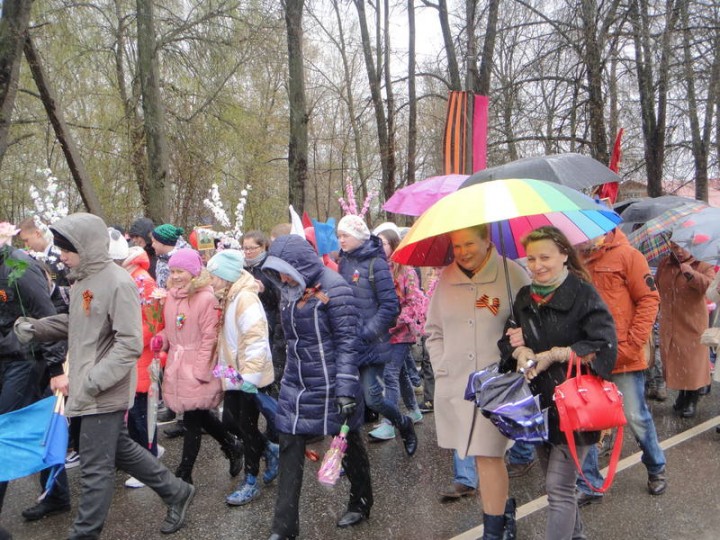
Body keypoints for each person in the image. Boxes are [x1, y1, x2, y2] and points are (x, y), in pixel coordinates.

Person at [14, 212, 195, 538]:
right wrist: (37, 328)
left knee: (94, 471)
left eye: (67, 249)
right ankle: (177, 492)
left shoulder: (117, 282)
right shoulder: (83, 279)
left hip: (102, 390)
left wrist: (96, 380)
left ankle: (84, 534)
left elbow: (130, 342)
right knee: (119, 449)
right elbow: (77, 322)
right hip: (89, 386)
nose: (62, 255)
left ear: (86, 247)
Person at [500, 226, 617, 540]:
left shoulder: (583, 293)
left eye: (545, 257)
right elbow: (507, 341)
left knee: (558, 488)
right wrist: (519, 349)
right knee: (558, 484)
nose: (537, 265)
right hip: (539, 404)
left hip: (575, 406)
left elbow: (605, 345)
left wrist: (559, 353)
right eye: (531, 258)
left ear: (565, 255)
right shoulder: (525, 296)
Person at [262, 234, 372, 539]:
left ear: (299, 264)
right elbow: (288, 339)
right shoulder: (288, 291)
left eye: (285, 270)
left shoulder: (336, 287)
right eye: (277, 271)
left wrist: (347, 388)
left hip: (333, 383)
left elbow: (349, 342)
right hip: (297, 383)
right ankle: (284, 528)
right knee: (289, 446)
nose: (282, 277)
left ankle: (361, 501)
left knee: (347, 445)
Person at [425, 224, 529, 537]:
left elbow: (532, 323)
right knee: (478, 454)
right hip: (457, 383)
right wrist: (441, 364)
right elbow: (434, 330)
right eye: (457, 246)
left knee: (488, 455)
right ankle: (504, 512)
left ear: (487, 241)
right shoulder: (446, 279)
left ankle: (494, 530)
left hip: (497, 383)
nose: (463, 252)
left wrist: (523, 341)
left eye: (469, 244)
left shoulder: (513, 275)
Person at [574, 228, 666, 505]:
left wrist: (631, 345)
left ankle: (656, 467)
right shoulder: (575, 260)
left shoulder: (628, 256)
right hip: (588, 356)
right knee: (587, 419)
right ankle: (590, 483)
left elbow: (649, 299)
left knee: (636, 417)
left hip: (624, 357)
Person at [150, 248, 243, 485]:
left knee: (192, 419)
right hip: (177, 364)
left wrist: (201, 370)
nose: (176, 276)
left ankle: (185, 472)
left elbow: (209, 338)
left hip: (197, 365)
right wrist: (161, 339)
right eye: (172, 271)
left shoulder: (206, 298)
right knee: (199, 415)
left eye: (180, 271)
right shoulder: (171, 296)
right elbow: (172, 329)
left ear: (193, 272)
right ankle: (232, 445)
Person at [0, 222, 71, 522]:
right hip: (5, 355)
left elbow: (48, 316)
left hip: (25, 358)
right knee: (39, 426)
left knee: (4, 430)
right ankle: (57, 494)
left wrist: (56, 367)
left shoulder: (22, 266)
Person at [336, 215, 417, 456]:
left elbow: (390, 306)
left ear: (359, 237)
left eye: (345, 235)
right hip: (348, 342)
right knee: (348, 399)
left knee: (374, 400)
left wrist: (367, 332)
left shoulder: (377, 264)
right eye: (339, 235)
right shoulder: (344, 261)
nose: (341, 240)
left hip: (371, 344)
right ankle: (348, 456)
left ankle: (404, 423)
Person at [206, 249, 279, 506]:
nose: (210, 279)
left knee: (247, 427)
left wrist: (250, 376)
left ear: (225, 276)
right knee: (230, 422)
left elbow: (256, 339)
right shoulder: (228, 295)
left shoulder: (244, 298)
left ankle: (250, 481)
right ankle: (270, 449)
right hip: (234, 373)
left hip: (248, 375)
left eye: (213, 275)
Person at [369, 228, 425, 441]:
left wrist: (398, 320)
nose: (379, 247)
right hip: (383, 331)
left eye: (383, 243)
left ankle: (389, 423)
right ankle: (413, 410)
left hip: (402, 332)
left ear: (393, 244)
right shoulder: (377, 269)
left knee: (390, 374)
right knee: (399, 373)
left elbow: (413, 302)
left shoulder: (406, 271)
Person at [120, 245, 166, 488]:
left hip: (142, 354)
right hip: (134, 353)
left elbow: (152, 321)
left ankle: (148, 462)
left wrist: (131, 342)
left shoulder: (142, 281)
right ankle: (146, 455)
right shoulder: (131, 277)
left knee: (142, 413)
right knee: (137, 410)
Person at [655, 242, 715, 417]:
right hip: (671, 320)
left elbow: (711, 289)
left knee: (692, 362)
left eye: (682, 247)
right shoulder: (665, 263)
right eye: (674, 247)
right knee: (677, 360)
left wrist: (692, 274)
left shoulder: (702, 264)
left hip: (692, 322)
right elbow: (657, 285)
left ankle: (692, 398)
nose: (679, 251)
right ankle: (683, 393)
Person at [151, 224, 188, 289]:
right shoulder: (161, 258)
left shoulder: (184, 260)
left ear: (163, 242)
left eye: (155, 242)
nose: (152, 245)